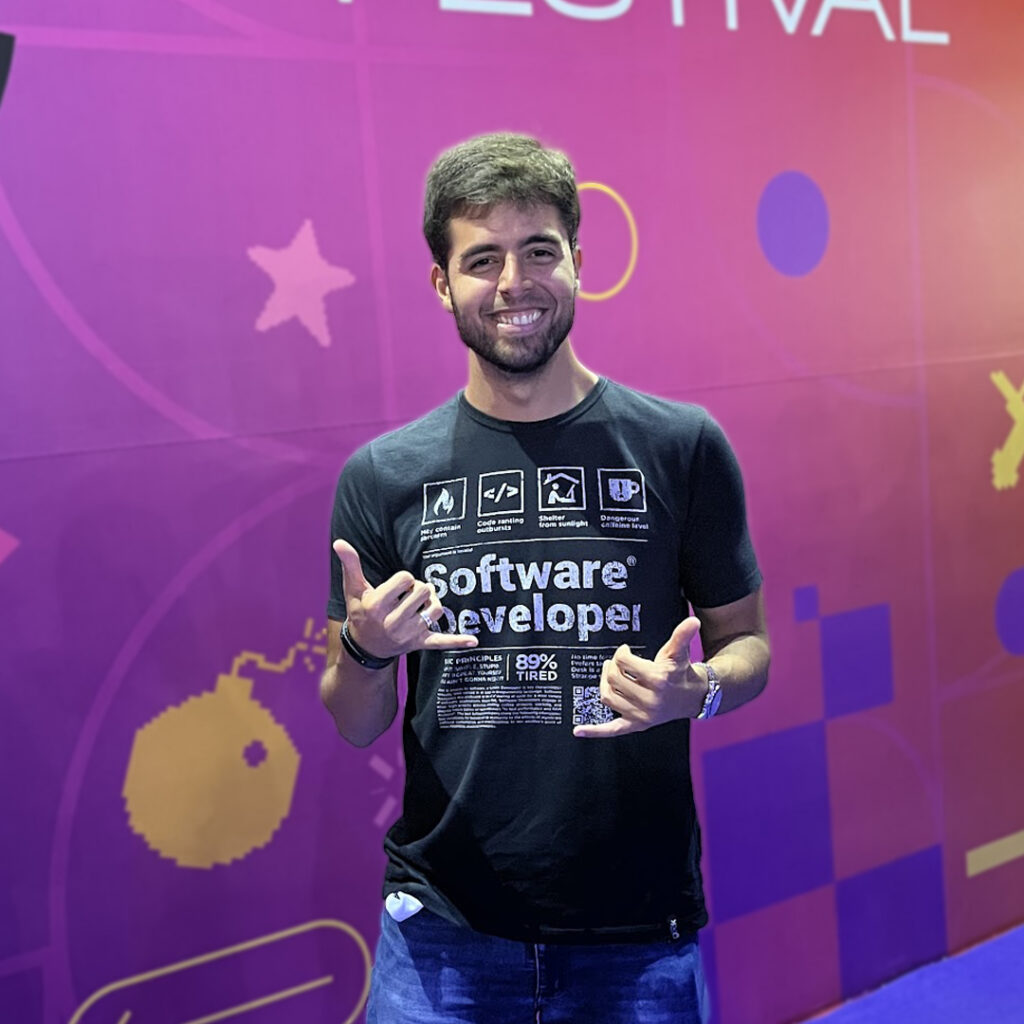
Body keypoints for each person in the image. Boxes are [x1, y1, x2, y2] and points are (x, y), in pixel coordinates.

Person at [321, 132, 770, 1024]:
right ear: (442, 283)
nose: (513, 284)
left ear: (578, 263)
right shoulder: (384, 476)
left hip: (635, 934)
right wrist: (366, 650)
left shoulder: (681, 447)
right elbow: (354, 718)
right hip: (442, 935)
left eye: (538, 251)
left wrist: (701, 691)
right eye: (481, 259)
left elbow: (748, 645)